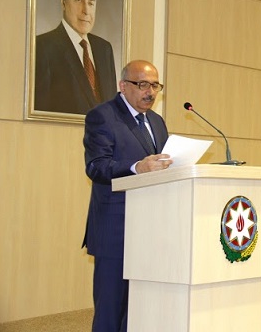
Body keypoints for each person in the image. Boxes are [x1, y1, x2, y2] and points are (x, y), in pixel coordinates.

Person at [82, 60, 172, 331]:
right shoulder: (102, 116)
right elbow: (96, 167)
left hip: (150, 228)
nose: (150, 92)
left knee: (139, 310)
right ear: (123, 85)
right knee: (111, 309)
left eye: (155, 85)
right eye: (142, 84)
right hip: (115, 226)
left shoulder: (156, 122)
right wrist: (136, 167)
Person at [35, 0, 117, 115]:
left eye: (91, 3)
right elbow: (40, 113)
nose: (86, 10)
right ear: (63, 1)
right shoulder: (42, 47)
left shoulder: (104, 49)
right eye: (78, 0)